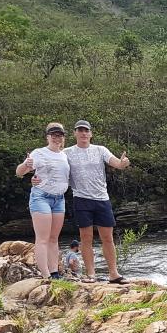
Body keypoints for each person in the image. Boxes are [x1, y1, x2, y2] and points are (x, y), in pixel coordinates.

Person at [65, 120, 131, 283]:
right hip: (81, 198)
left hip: (102, 198)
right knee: (86, 238)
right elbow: (54, 167)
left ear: (91, 134)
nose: (83, 133)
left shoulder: (100, 149)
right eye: (80, 130)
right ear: (75, 133)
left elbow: (116, 163)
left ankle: (114, 274)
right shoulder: (67, 152)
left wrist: (123, 163)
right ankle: (91, 275)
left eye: (86, 131)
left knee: (107, 237)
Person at [15, 122, 70, 279]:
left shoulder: (64, 155)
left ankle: (54, 273)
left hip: (59, 199)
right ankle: (45, 275)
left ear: (63, 137)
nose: (56, 138)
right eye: (53, 135)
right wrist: (26, 165)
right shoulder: (39, 153)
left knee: (54, 238)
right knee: (43, 239)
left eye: (59, 135)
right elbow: (19, 172)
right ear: (48, 137)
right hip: (41, 197)